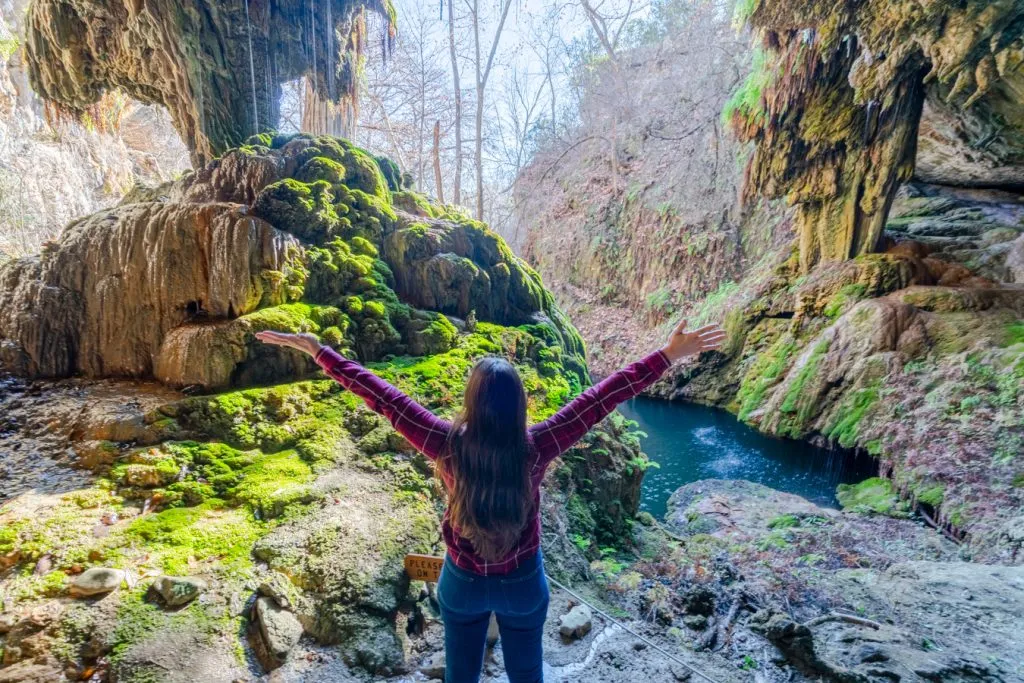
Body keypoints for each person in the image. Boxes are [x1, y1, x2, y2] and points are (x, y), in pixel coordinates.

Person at [255, 318, 726, 683]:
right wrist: (666, 355)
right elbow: (601, 398)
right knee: (527, 675)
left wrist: (321, 353)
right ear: (519, 404)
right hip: (524, 584)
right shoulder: (537, 445)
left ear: (471, 401)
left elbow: (384, 397)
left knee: (461, 677)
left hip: (461, 583)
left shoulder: (445, 443)